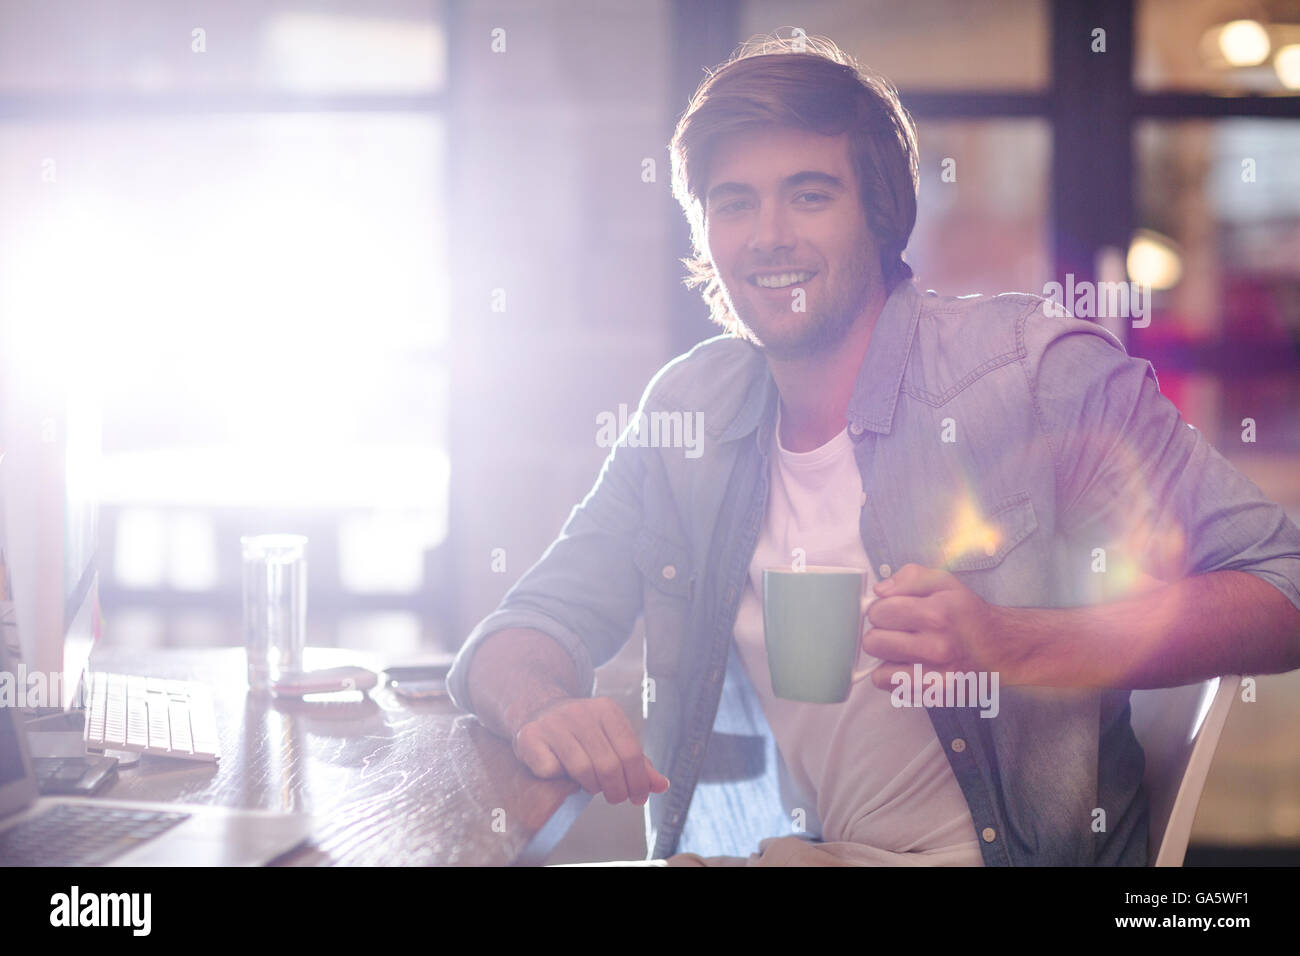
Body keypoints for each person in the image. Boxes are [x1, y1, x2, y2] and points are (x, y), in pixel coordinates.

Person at [445, 36, 1300, 866]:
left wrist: (1008, 641)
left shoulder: (1035, 376)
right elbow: (523, 626)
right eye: (733, 202)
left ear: (881, 214)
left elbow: (1284, 586)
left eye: (809, 195)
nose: (767, 235)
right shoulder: (688, 414)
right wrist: (541, 706)